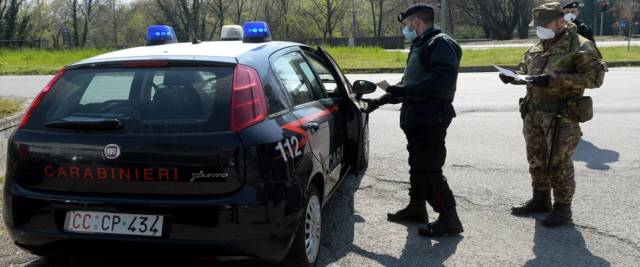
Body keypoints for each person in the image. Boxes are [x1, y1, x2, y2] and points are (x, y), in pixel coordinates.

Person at [499, 2, 605, 227]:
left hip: (562, 114)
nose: (539, 28)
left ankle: (563, 208)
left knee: (558, 162)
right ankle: (540, 200)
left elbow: (595, 79)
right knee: (536, 157)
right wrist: (514, 76)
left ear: (560, 21)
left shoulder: (580, 46)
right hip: (534, 112)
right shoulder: (540, 45)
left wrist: (556, 80)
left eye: (543, 24)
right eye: (537, 24)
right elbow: (527, 70)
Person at [362, 3, 463, 237]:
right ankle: (417, 207)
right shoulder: (421, 43)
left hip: (431, 117)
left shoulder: (441, 44)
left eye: (407, 24)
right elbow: (409, 84)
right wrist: (381, 100)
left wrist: (404, 92)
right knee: (417, 167)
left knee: (429, 169)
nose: (405, 29)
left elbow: (439, 83)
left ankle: (449, 219)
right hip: (416, 117)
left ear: (416, 22)